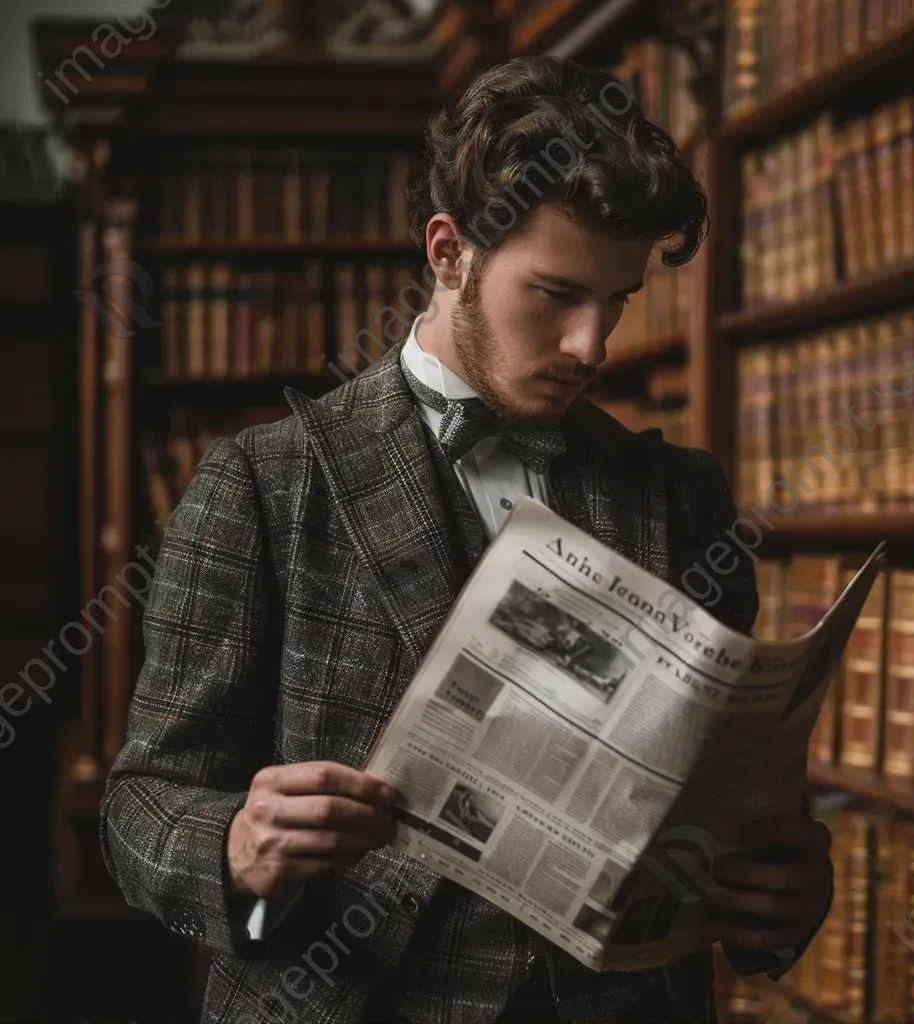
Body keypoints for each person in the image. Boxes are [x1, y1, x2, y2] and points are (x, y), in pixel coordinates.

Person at [99, 54, 833, 1024]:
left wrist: (784, 896)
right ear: (449, 253)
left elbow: (736, 801)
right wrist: (234, 842)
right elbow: (140, 802)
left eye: (616, 300)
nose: (591, 346)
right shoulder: (262, 482)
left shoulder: (680, 495)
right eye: (556, 295)